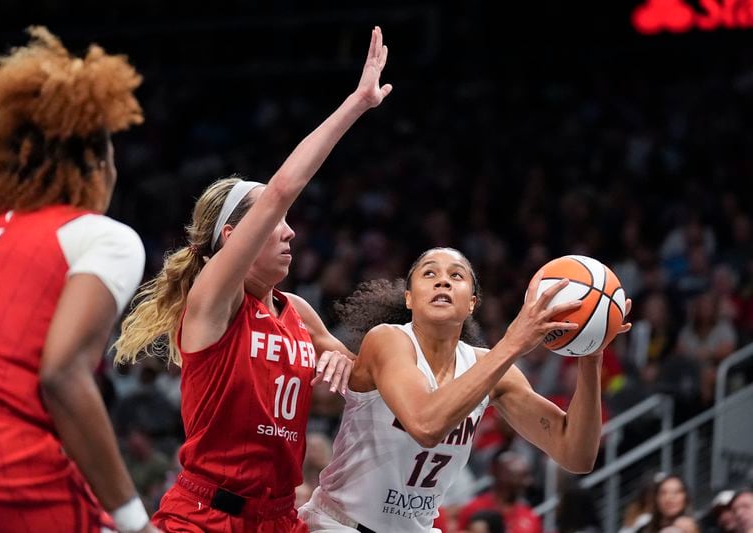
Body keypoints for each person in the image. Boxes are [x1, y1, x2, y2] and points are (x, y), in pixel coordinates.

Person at [113, 26, 392, 533]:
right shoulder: (214, 301)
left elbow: (352, 376)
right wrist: (356, 104)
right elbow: (284, 187)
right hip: (207, 515)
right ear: (236, 237)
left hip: (280, 517)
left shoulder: (298, 313)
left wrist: (337, 358)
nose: (289, 231)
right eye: (274, 221)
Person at [0, 27, 157, 532]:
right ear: (94, 162)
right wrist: (136, 521)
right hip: (4, 461)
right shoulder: (103, 237)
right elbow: (61, 373)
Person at [298, 247, 632, 533]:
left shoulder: (490, 368)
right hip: (340, 524)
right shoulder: (389, 341)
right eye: (429, 273)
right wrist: (513, 342)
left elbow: (576, 455)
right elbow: (425, 425)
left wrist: (591, 356)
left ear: (471, 303)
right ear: (410, 298)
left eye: (457, 276)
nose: (443, 280)